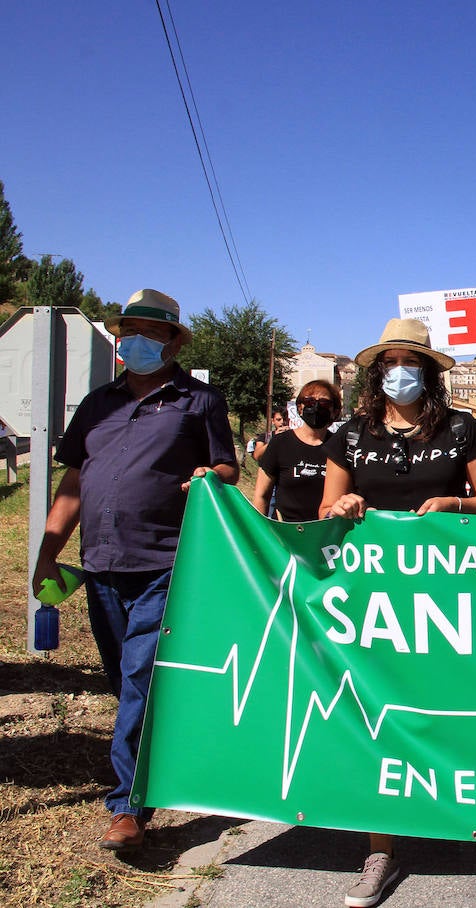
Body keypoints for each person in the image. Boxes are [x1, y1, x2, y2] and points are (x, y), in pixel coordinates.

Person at [31, 289, 238, 852]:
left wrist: (211, 474)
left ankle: (127, 807)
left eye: (149, 331)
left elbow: (227, 467)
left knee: (140, 680)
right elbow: (74, 481)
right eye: (128, 330)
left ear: (172, 341)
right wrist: (49, 552)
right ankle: (163, 764)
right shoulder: (97, 403)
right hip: (101, 565)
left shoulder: (199, 401)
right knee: (123, 679)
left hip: (165, 563)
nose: (135, 340)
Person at [319, 317, 476, 907]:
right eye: (391, 362)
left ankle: (460, 813)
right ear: (377, 372)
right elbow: (327, 505)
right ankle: (380, 848)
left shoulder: (461, 429)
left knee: (447, 707)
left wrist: (455, 502)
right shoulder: (350, 434)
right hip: (371, 598)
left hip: (448, 596)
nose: (401, 371)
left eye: (412, 362)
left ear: (428, 371)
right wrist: (344, 504)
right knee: (377, 711)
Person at [251, 381, 341, 521]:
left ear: (334, 411)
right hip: (284, 533)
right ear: (300, 408)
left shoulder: (339, 446)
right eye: (309, 402)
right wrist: (259, 533)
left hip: (327, 535)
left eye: (324, 403)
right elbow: (261, 495)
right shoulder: (280, 443)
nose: (316, 407)